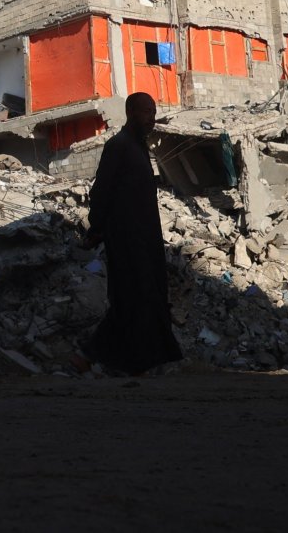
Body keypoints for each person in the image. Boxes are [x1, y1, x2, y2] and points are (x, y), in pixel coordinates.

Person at [84, 92, 183, 374]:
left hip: (144, 238)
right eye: (146, 112)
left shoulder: (138, 148)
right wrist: (97, 227)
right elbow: (102, 191)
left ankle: (144, 358)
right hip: (126, 239)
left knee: (146, 296)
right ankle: (97, 355)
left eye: (153, 112)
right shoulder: (118, 146)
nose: (151, 118)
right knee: (130, 298)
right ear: (130, 112)